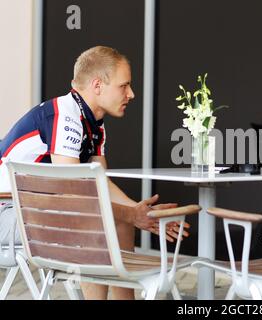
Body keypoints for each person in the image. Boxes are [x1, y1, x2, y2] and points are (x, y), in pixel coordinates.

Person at [0, 46, 189, 299]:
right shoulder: (63, 115)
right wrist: (133, 215)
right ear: (97, 86)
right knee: (95, 219)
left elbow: (100, 184)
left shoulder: (93, 123)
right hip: (7, 213)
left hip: (31, 209)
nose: (131, 94)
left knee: (117, 218)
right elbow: (77, 197)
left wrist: (142, 213)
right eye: (124, 86)